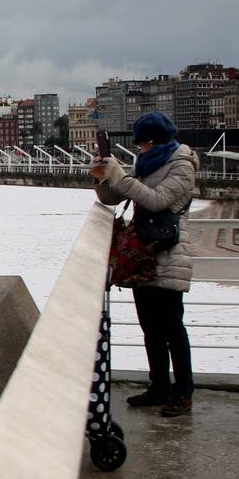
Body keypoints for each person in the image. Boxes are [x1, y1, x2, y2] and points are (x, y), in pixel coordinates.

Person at [93, 111, 199, 416]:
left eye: (146, 143)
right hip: (144, 255)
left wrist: (119, 175)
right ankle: (159, 387)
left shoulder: (182, 164)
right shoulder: (147, 162)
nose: (142, 149)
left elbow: (156, 200)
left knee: (172, 328)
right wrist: (101, 178)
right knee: (150, 327)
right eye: (140, 144)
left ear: (159, 140)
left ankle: (183, 392)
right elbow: (114, 197)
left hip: (168, 253)